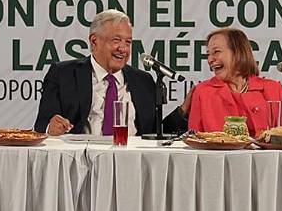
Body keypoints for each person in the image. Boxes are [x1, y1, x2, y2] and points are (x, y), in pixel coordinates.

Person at [34, 10, 188, 136]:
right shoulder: (63, 74)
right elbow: (42, 124)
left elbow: (155, 134)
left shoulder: (143, 80)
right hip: (82, 162)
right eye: (116, 40)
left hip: (132, 163)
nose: (123, 49)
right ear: (94, 41)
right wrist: (50, 127)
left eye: (128, 42)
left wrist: (182, 112)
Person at [178, 28, 282, 135]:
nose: (210, 59)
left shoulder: (273, 89)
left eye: (216, 52)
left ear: (238, 53)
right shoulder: (202, 91)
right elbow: (195, 141)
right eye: (208, 54)